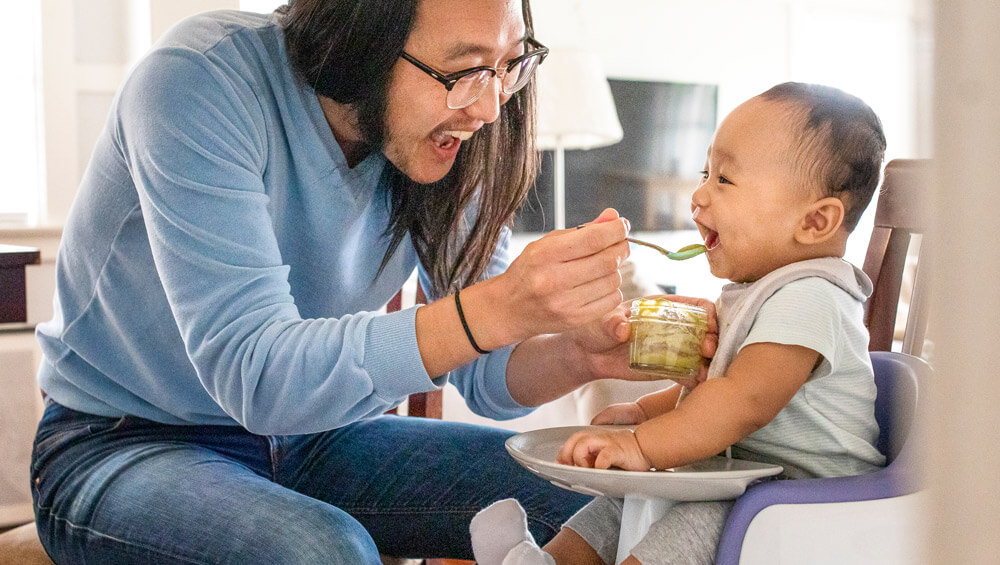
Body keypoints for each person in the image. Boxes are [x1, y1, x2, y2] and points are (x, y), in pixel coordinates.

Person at [29, 1, 650, 563]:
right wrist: (496, 307)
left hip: (311, 437)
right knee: (324, 553)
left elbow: (486, 376)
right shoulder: (198, 80)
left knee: (602, 503)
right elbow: (259, 377)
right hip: (120, 442)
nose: (489, 108)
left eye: (510, 65)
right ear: (362, 38)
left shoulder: (454, 133)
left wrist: (577, 353)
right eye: (463, 70)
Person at [470, 81, 889, 565]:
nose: (698, 195)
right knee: (620, 502)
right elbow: (714, 386)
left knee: (694, 523)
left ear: (815, 222)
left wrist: (641, 445)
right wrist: (647, 413)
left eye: (725, 180)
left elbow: (742, 400)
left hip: (808, 499)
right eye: (705, 173)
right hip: (750, 479)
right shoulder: (755, 292)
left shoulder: (811, 296)